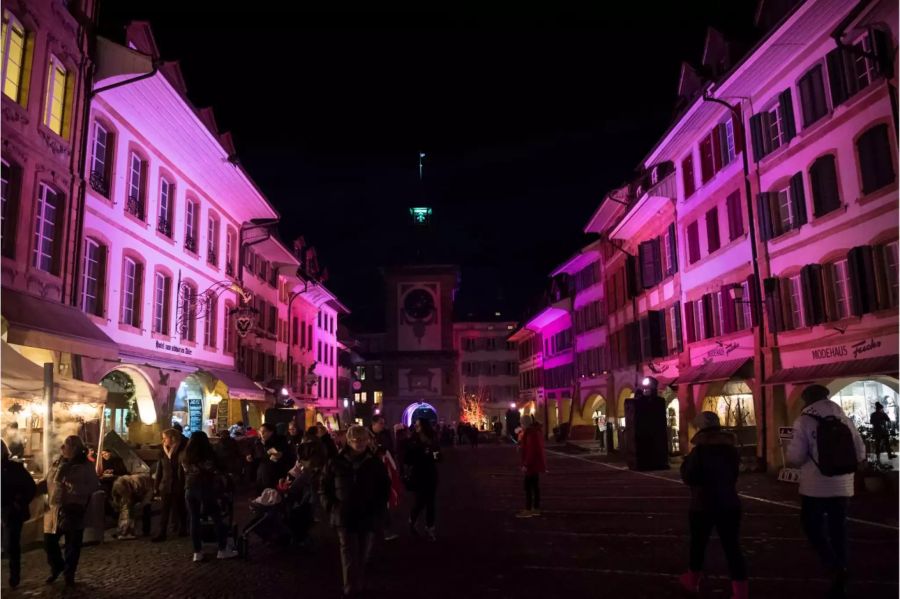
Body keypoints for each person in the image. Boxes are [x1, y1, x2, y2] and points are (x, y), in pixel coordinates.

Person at [787, 384, 866, 599]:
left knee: (812, 527)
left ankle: (834, 566)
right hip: (843, 485)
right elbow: (860, 452)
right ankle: (842, 568)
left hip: (815, 486)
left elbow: (795, 457)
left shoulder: (804, 420)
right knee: (838, 529)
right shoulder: (843, 418)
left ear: (807, 400)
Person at [677, 412, 748, 598]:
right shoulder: (730, 449)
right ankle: (740, 590)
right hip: (729, 502)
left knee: (698, 544)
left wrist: (685, 465)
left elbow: (689, 477)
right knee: (732, 547)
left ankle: (692, 580)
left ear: (701, 428)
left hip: (703, 504)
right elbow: (733, 475)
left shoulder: (699, 451)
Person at [319, 425, 390, 597]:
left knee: (364, 553)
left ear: (368, 441)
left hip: (367, 514)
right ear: (348, 441)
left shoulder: (374, 463)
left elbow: (384, 487)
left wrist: (378, 508)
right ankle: (351, 588)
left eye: (363, 440)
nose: (359, 443)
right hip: (344, 515)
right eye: (356, 440)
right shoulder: (335, 462)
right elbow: (323, 487)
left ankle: (359, 581)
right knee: (349, 553)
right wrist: (332, 507)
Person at [41, 435, 100, 588]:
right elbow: (49, 480)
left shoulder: (85, 465)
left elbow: (93, 486)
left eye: (65, 445)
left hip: (74, 509)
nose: (62, 448)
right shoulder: (57, 462)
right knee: (49, 542)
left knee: (72, 544)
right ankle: (58, 566)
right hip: (54, 509)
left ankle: (69, 574)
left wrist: (73, 488)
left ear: (74, 448)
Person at [182, 431, 238, 562]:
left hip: (190, 488)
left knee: (194, 519)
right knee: (217, 517)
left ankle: (197, 552)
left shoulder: (186, 456)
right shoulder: (209, 455)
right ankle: (222, 549)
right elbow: (218, 468)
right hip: (206, 488)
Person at [2, 439, 36, 588]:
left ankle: (14, 576)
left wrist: (18, 502)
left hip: (11, 512)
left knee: (11, 545)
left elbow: (30, 487)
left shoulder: (15, 467)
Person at [404, 418, 441, 540]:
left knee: (431, 503)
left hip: (430, 474)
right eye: (416, 424)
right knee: (419, 501)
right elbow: (407, 458)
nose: (416, 426)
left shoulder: (432, 439)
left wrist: (435, 455)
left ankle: (430, 527)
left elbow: (439, 456)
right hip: (418, 474)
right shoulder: (413, 440)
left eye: (418, 425)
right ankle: (412, 519)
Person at [152, 428, 187, 542]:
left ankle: (183, 529)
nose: (163, 441)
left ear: (172, 438)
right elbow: (159, 470)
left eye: (165, 438)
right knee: (164, 509)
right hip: (166, 484)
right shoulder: (162, 452)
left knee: (181, 508)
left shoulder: (181, 451)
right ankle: (162, 532)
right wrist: (156, 486)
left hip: (178, 484)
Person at [369, 415, 399, 541]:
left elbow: (389, 449)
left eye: (383, 423)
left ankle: (383, 530)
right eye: (380, 423)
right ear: (373, 424)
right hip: (370, 473)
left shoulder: (384, 434)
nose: (383, 426)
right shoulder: (366, 436)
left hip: (381, 472)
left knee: (382, 502)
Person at [247, 422, 292, 494]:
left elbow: (286, 455)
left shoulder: (279, 441)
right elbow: (254, 455)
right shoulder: (257, 442)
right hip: (261, 471)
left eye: (264, 432)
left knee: (273, 494)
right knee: (262, 493)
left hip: (275, 471)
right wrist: (250, 457)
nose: (262, 434)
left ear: (271, 432)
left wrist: (281, 455)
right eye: (260, 431)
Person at [516, 414, 546, 518]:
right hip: (535, 464)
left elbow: (531, 451)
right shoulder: (534, 431)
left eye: (521, 423)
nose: (521, 425)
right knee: (535, 487)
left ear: (525, 423)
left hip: (531, 465)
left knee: (528, 487)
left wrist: (526, 464)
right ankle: (536, 508)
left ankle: (528, 509)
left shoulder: (531, 433)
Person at [111, 473, 155, 540]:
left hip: (144, 488)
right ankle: (124, 532)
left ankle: (123, 531)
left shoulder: (141, 480)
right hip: (128, 488)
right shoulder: (117, 485)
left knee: (143, 509)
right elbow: (145, 502)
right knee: (127, 511)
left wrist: (139, 506)